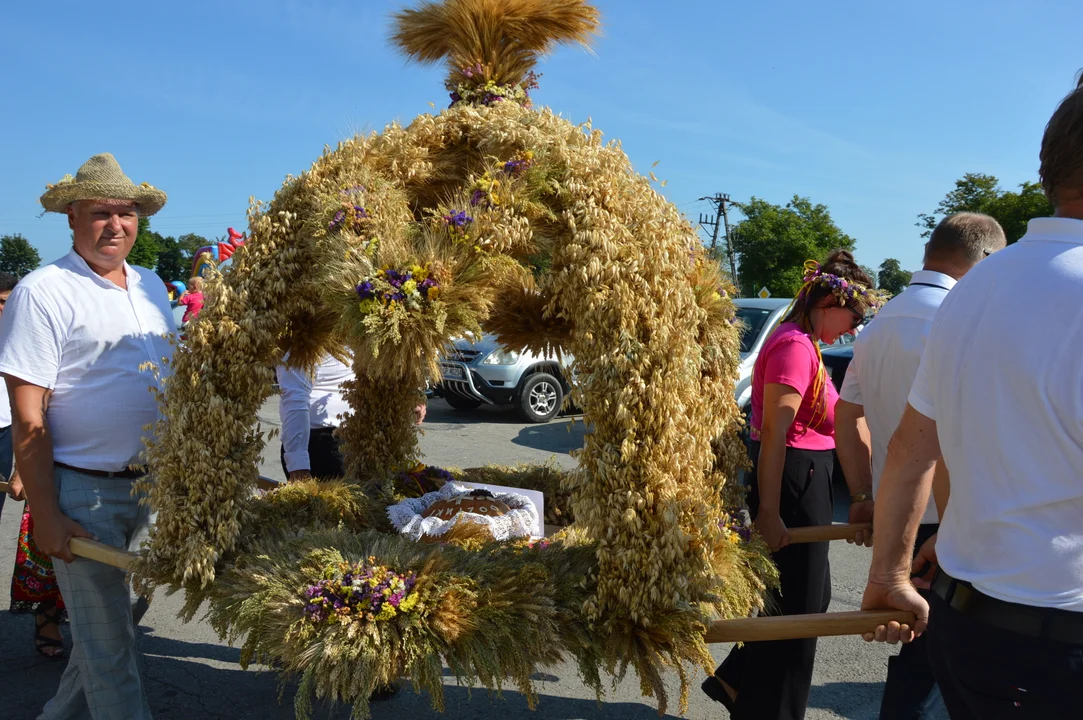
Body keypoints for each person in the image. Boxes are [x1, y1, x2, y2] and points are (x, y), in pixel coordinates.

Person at [861, 75, 1083, 719]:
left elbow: (910, 448)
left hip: (971, 630)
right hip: (1059, 643)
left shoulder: (977, 289)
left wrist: (888, 576)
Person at [0, 152, 174, 720]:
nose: (115, 225)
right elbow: (28, 416)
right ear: (72, 216)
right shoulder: (42, 290)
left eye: (126, 213)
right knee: (111, 654)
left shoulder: (151, 286)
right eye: (100, 212)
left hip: (154, 489)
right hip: (85, 495)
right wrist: (46, 512)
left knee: (113, 632)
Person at [835, 213, 1006, 720]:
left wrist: (863, 494)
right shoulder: (962, 320)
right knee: (942, 656)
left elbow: (849, 419)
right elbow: (960, 438)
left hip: (898, 510)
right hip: (947, 518)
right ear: (985, 261)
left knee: (924, 652)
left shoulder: (878, 323)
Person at [703, 250, 881, 720]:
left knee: (808, 601)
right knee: (795, 615)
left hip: (807, 476)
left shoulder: (808, 343)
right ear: (828, 301)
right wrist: (768, 511)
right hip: (793, 478)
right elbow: (775, 434)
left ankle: (739, 682)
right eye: (853, 315)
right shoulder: (794, 346)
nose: (853, 327)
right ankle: (767, 709)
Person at [277, 351, 428, 481]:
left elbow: (383, 370)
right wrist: (298, 466)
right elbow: (294, 399)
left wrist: (410, 398)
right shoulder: (304, 338)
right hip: (323, 444)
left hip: (362, 439)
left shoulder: (361, 328)